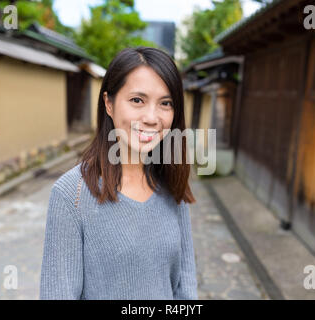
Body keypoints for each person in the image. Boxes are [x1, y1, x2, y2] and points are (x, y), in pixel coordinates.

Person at [39, 46, 198, 300]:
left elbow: (185, 288)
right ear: (109, 104)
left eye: (165, 103)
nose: (151, 117)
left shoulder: (172, 185)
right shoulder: (72, 194)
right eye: (137, 100)